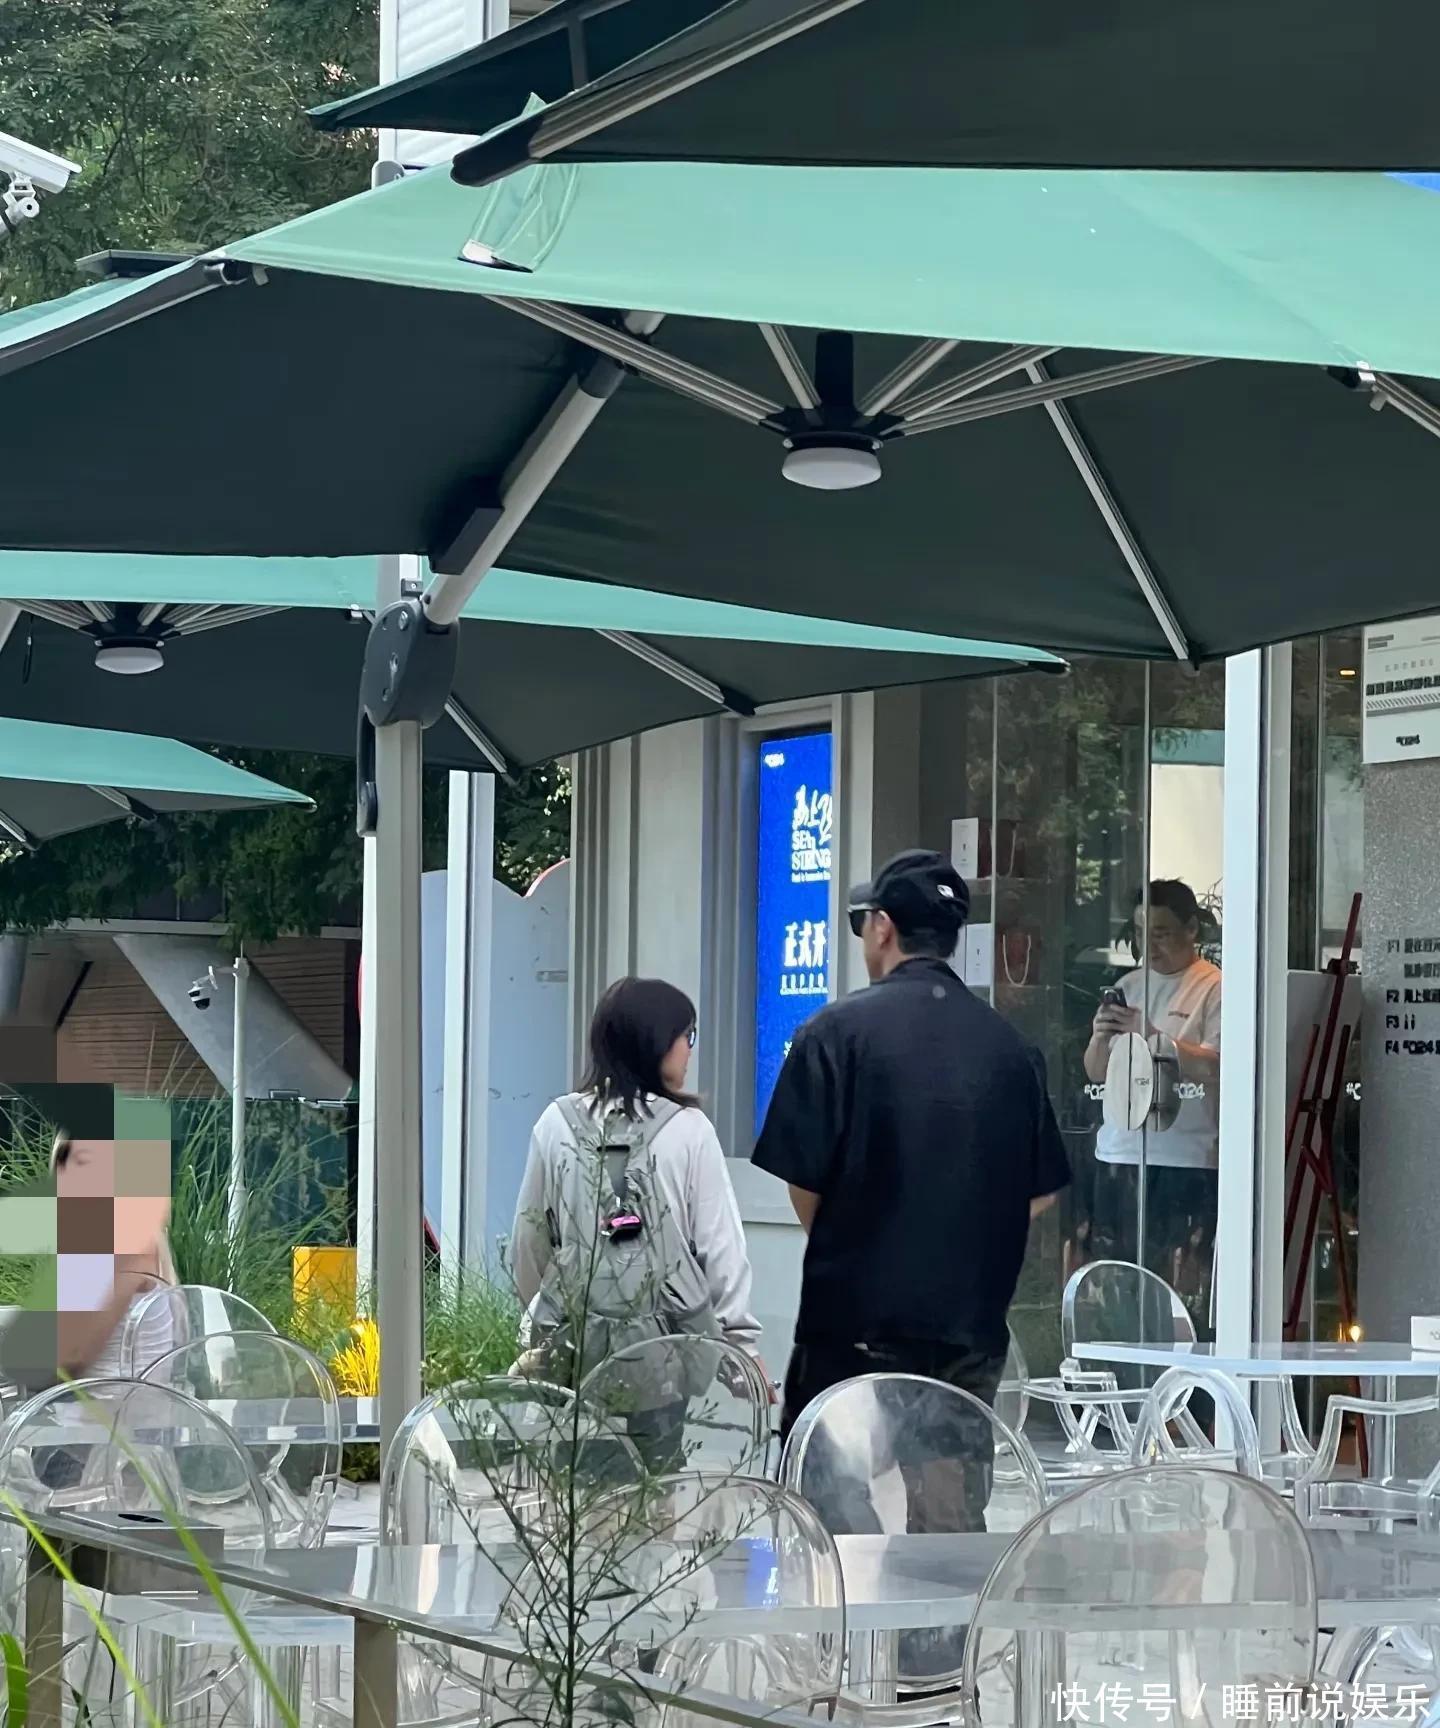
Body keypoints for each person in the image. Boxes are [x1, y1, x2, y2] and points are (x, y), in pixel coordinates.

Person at [753, 848, 1071, 1466]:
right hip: (970, 1326)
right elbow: (1040, 1190)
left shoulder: (833, 1034)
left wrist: (865, 1244)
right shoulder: (1010, 1048)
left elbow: (804, 1180)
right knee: (948, 1507)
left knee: (832, 1497)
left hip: (854, 1321)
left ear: (881, 926)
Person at [512, 977, 764, 1470]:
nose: (689, 1050)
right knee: (657, 1482)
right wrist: (740, 1346)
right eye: (686, 1035)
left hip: (573, 1346)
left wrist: (548, 1314)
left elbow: (529, 1243)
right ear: (655, 1040)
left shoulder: (555, 1123)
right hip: (664, 1350)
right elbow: (720, 1248)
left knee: (575, 1480)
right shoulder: (689, 1131)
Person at [1084, 878, 1221, 1297]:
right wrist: (1099, 1037)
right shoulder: (1129, 986)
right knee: (1120, 1279)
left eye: (1160, 933)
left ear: (1191, 929)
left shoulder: (1214, 986)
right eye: (1142, 932)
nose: (1150, 945)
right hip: (1120, 1149)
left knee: (1178, 1282)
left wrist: (1155, 1037)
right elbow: (1095, 1072)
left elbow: (1218, 1065)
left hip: (1185, 1154)